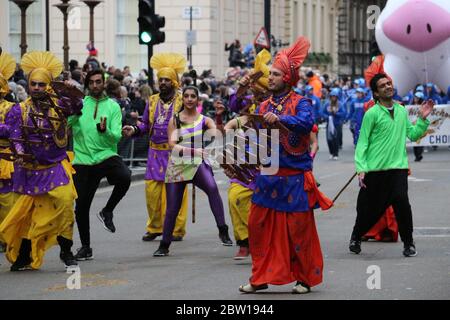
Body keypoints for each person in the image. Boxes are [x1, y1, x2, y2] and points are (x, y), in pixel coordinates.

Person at [239, 37, 332, 294]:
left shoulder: (301, 102)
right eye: (270, 73)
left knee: (298, 232)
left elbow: (305, 123)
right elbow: (255, 139)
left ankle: (304, 279)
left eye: (276, 74)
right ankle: (260, 278)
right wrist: (240, 159)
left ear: (288, 78)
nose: (270, 78)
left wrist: (279, 118)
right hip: (268, 177)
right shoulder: (264, 105)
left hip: (294, 178)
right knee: (257, 228)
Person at [0, 51, 80, 271]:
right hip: (29, 169)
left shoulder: (60, 106)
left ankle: (66, 250)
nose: (36, 88)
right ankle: (24, 255)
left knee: (65, 205)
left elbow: (77, 107)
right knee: (28, 215)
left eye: (42, 84)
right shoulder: (19, 110)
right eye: (33, 84)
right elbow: (15, 136)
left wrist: (69, 91)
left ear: (48, 86)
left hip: (56, 166)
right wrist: (19, 151)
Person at [349, 73, 434, 257]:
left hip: (398, 169)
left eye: (389, 83)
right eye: (382, 86)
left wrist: (422, 119)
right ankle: (356, 235)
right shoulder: (371, 114)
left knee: (402, 203)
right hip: (375, 170)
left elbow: (412, 135)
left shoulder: (402, 110)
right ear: (376, 93)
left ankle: (408, 243)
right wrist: (361, 168)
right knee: (369, 209)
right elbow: (363, 143)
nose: (388, 86)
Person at [152, 86, 233, 256]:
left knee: (212, 188)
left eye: (193, 96)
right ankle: (164, 244)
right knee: (172, 208)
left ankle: (222, 229)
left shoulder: (204, 119)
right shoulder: (175, 120)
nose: (189, 99)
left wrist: (218, 116)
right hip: (178, 165)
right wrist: (193, 151)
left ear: (197, 100)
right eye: (186, 96)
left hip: (197, 164)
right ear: (184, 99)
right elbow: (172, 145)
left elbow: (219, 134)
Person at [122, 53, 188, 243]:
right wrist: (134, 129)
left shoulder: (183, 100)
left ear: (175, 82)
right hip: (155, 153)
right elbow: (145, 124)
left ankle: (176, 229)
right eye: (161, 80)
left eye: (167, 79)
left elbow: (193, 123)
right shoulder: (151, 100)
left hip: (175, 153)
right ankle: (155, 227)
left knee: (175, 193)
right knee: (152, 193)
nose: (164, 83)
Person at [69, 69, 131, 261]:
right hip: (83, 159)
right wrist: (71, 111)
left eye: (98, 82)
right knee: (81, 207)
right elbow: (67, 125)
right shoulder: (80, 104)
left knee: (125, 177)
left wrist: (105, 132)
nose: (95, 85)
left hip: (106, 155)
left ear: (104, 83)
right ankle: (86, 247)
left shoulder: (113, 107)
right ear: (88, 85)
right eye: (92, 82)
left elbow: (117, 135)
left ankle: (107, 210)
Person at [224, 49, 272, 260]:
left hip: (271, 160)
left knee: (265, 204)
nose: (258, 95)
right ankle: (244, 241)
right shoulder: (247, 103)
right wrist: (241, 86)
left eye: (261, 92)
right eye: (255, 91)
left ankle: (264, 240)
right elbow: (233, 105)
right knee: (235, 197)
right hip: (244, 161)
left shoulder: (278, 105)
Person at [0, 51, 19, 253]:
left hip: (5, 160)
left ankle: (7, 238)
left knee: (6, 201)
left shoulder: (11, 108)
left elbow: (14, 131)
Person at [322, 89, 346, 160]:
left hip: (337, 124)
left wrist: (336, 113)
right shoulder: (327, 104)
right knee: (329, 139)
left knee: (335, 139)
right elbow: (322, 112)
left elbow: (343, 113)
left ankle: (336, 154)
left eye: (335, 97)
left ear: (337, 97)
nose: (333, 98)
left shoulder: (340, 104)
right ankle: (331, 152)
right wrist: (327, 117)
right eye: (332, 96)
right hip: (329, 124)